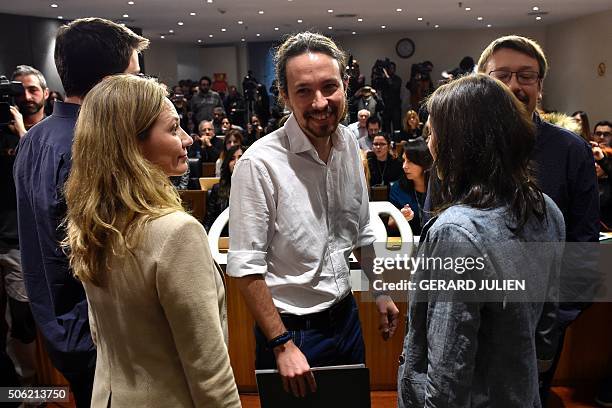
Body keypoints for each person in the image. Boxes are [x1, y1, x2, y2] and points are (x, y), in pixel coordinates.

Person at [227, 31, 399, 397]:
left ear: (346, 86)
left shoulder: (350, 143)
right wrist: (282, 344)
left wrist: (380, 292)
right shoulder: (259, 165)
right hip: (292, 331)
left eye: (329, 86)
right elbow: (246, 268)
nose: (320, 102)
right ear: (284, 96)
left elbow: (361, 229)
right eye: (304, 90)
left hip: (346, 316)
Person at [63, 74, 240, 407]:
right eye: (173, 129)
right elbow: (209, 371)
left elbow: (102, 339)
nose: (187, 139)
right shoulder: (177, 233)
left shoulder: (92, 224)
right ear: (133, 145)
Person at [398, 73, 565, 407]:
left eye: (434, 133)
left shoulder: (455, 232)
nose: (430, 144)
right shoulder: (546, 209)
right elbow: (547, 327)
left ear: (459, 143)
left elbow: (448, 371)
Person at [13, 18, 149, 407]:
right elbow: (109, 253)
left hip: (59, 325)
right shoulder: (88, 147)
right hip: (96, 329)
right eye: (134, 77)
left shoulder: (34, 137)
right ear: (109, 82)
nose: (139, 87)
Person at [476, 35, 600, 404]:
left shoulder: (570, 149)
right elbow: (435, 226)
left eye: (526, 76)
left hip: (541, 324)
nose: (515, 85)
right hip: (474, 318)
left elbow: (583, 240)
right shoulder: (459, 145)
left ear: (540, 87)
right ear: (483, 82)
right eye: (503, 75)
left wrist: (557, 318)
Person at [1, 64, 49, 388]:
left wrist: (22, 133)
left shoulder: (49, 134)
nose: (27, 97)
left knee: (22, 319)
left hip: (22, 243)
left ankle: (32, 387)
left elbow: (44, 180)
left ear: (46, 93)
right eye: (20, 91)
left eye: (33, 90)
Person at [389, 137, 432, 235]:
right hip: (410, 241)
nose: (404, 166)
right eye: (404, 160)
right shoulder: (397, 188)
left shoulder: (439, 187)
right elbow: (390, 223)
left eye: (410, 161)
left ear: (423, 162)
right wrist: (401, 216)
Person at [205, 144, 243, 232]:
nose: (236, 162)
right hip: (221, 240)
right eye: (232, 159)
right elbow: (208, 221)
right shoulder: (217, 189)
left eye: (240, 158)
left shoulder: (254, 189)